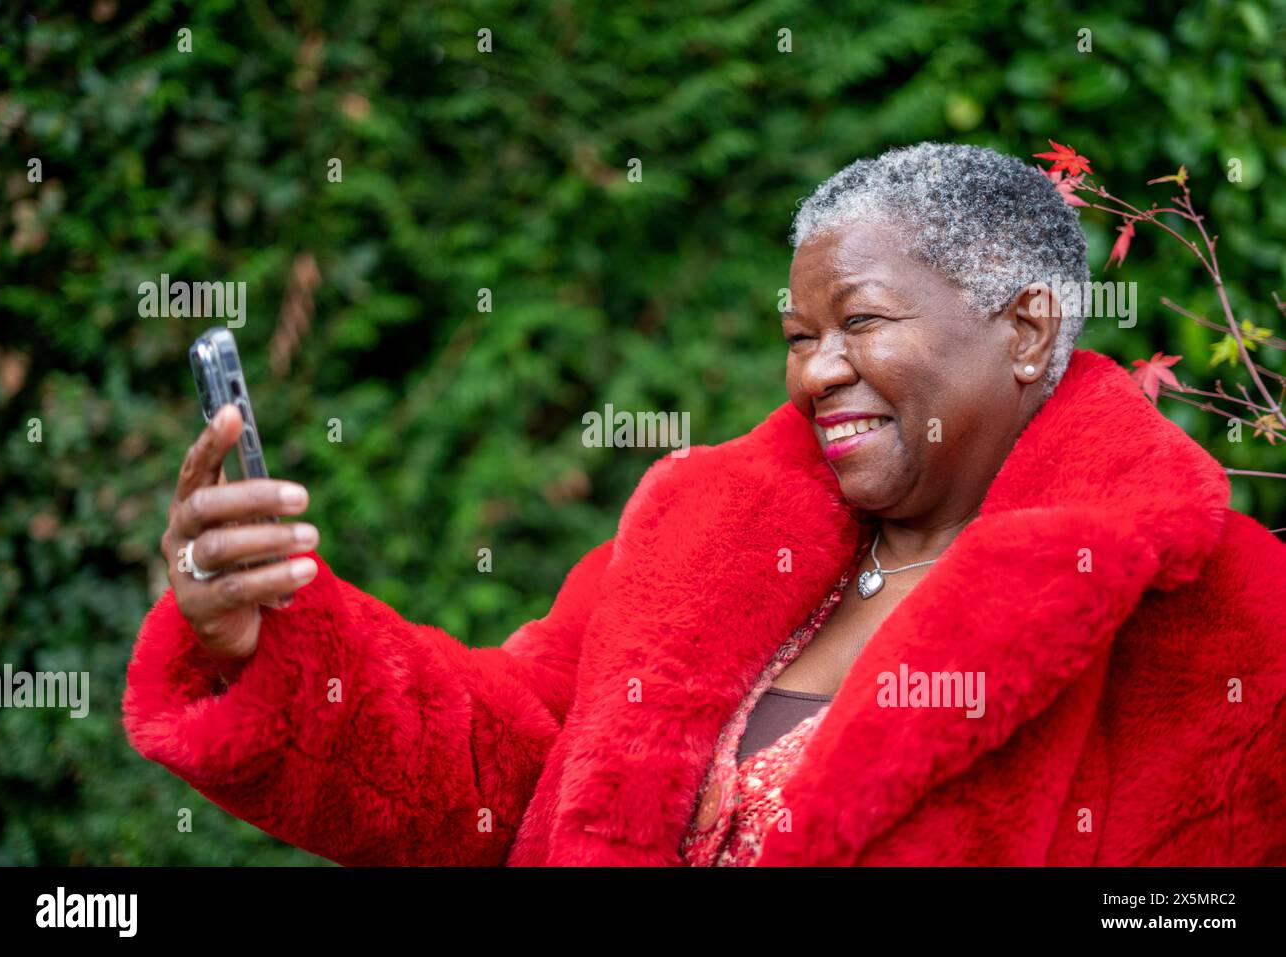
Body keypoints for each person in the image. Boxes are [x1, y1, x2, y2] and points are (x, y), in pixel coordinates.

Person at [123, 143, 1286, 866]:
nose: (816, 369)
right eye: (797, 337)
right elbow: (506, 769)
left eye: (861, 324)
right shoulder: (698, 532)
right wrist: (267, 636)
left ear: (1023, 327)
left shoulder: (1215, 612)